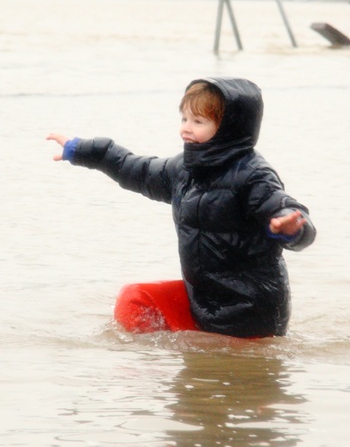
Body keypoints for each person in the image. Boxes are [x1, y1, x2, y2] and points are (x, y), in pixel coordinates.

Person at [47, 77, 316, 338]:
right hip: (202, 301)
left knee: (224, 373)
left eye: (198, 121)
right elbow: (135, 170)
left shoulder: (253, 175)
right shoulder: (183, 170)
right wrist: (84, 150)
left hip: (252, 314)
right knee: (136, 299)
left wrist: (290, 228)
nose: (185, 128)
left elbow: (286, 208)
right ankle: (156, 369)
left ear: (229, 128)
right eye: (184, 118)